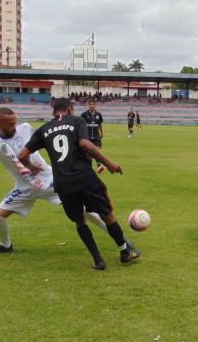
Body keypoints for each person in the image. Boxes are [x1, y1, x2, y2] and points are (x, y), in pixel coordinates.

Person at [0, 108, 108, 254]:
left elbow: (46, 137)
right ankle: (6, 245)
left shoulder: (25, 128)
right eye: (10, 124)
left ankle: (116, 236)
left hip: (49, 180)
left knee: (82, 210)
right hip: (25, 187)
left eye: (15, 122)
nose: (14, 126)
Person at [18, 98, 140, 270]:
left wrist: (31, 166)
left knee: (80, 221)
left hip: (63, 184)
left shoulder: (43, 129)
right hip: (84, 178)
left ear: (54, 111)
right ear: (70, 109)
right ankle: (124, 251)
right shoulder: (77, 121)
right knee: (106, 214)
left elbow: (22, 156)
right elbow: (84, 144)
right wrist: (109, 163)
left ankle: (98, 260)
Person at [80, 100, 106, 174]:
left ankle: (99, 166)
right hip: (87, 137)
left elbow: (100, 125)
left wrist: (102, 133)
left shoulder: (99, 114)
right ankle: (89, 168)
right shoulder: (84, 114)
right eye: (90, 104)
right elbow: (81, 125)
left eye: (93, 104)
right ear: (88, 105)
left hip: (96, 137)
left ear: (95, 105)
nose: (92, 105)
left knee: (97, 150)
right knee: (88, 155)